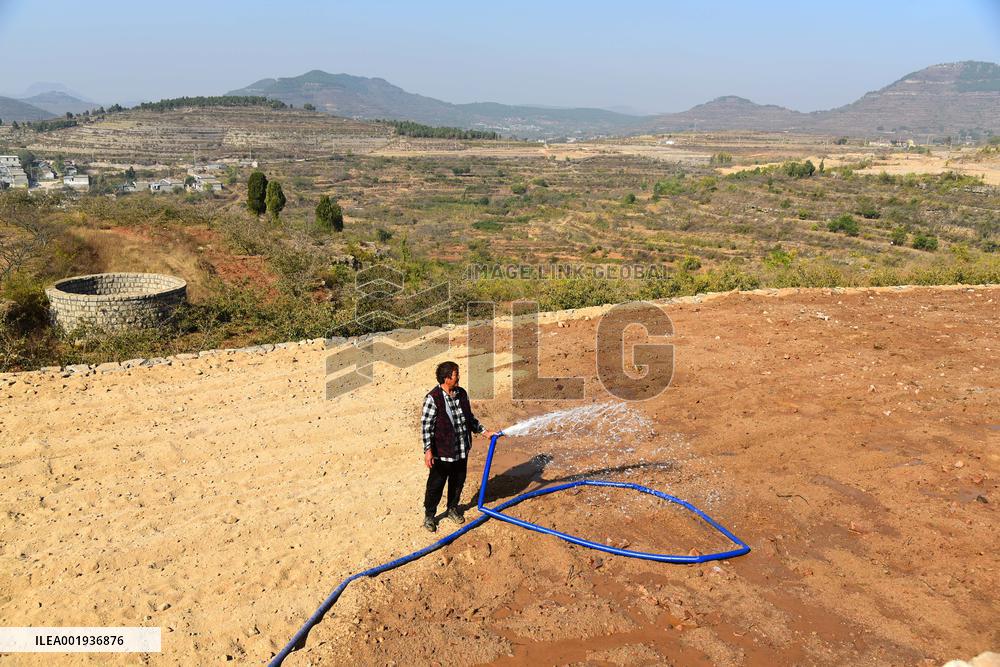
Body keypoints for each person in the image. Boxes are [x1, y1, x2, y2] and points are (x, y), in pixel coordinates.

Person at [420, 361, 494, 532]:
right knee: (436, 485)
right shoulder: (433, 398)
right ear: (446, 378)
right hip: (442, 454)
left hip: (461, 450)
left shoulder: (461, 394)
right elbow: (427, 427)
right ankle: (430, 515)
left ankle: (452, 509)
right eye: (455, 374)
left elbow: (470, 418)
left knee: (458, 482)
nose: (458, 377)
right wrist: (428, 451)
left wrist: (485, 432)